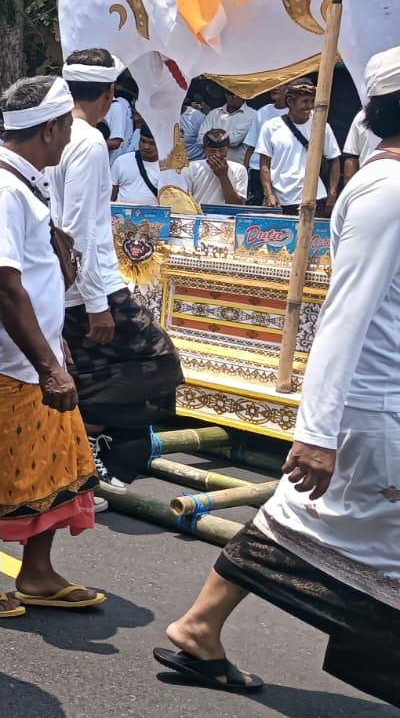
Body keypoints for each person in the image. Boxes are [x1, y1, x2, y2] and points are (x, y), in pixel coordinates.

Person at [156, 49, 400, 704]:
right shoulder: (389, 191)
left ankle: (200, 626)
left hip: (378, 399)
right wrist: (315, 432)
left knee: (298, 517)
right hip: (374, 403)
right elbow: (344, 315)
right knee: (345, 534)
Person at [0, 75, 105, 617]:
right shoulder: (2, 189)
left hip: (33, 358)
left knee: (56, 466)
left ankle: (36, 574)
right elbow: (5, 283)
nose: (70, 136)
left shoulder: (24, 181)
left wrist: (54, 351)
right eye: (67, 128)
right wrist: (48, 364)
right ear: (52, 128)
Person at [52, 49, 185, 496]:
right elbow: (78, 230)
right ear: (110, 93)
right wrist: (95, 303)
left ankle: (85, 459)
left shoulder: (53, 133)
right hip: (90, 285)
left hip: (68, 283)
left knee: (92, 374)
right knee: (158, 364)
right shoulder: (88, 140)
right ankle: (91, 456)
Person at [258, 78, 341, 216]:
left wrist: (332, 194)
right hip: (279, 200)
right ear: (290, 102)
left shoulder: (322, 127)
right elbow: (264, 164)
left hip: (313, 198)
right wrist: (268, 194)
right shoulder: (270, 127)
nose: (310, 106)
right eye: (305, 101)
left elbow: (334, 159)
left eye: (312, 101)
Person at [109, 125, 188, 204]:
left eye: (152, 143)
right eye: (143, 141)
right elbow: (111, 195)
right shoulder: (121, 161)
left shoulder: (171, 169)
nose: (146, 147)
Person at [243, 85, 290, 205]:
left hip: (281, 170)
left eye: (281, 84)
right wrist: (245, 169)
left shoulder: (295, 114)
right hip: (257, 169)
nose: (275, 88)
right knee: (254, 207)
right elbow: (252, 144)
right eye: (274, 84)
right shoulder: (262, 112)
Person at [185, 129, 247, 206]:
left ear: (228, 149)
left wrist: (223, 176)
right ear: (204, 150)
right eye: (212, 151)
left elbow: (237, 204)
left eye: (221, 151)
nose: (217, 155)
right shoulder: (191, 168)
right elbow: (185, 200)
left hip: (226, 213)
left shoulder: (239, 169)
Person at [203, 92, 256, 165]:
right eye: (230, 93)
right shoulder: (213, 113)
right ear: (225, 94)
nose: (234, 96)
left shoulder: (253, 115)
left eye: (238, 93)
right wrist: (222, 139)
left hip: (236, 166)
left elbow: (235, 141)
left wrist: (211, 137)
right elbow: (200, 138)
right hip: (209, 165)